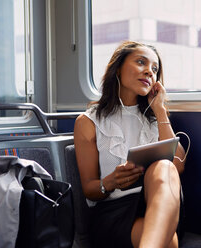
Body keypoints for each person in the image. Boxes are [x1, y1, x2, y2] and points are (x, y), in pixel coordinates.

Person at [74, 40, 186, 248]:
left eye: (155, 69)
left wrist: (160, 110)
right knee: (168, 242)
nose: (149, 72)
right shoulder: (88, 122)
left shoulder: (153, 118)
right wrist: (111, 181)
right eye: (141, 62)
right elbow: (89, 189)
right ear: (118, 68)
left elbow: (178, 165)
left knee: (164, 166)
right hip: (115, 213)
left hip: (158, 204)